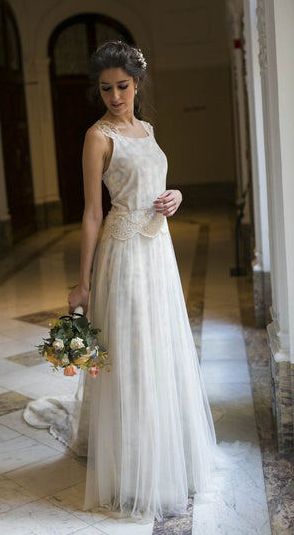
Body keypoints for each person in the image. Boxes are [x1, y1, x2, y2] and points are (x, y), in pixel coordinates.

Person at [25, 41, 216, 522]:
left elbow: (155, 183)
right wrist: (82, 282)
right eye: (106, 88)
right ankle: (133, 466)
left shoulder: (147, 129)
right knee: (131, 352)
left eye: (123, 87)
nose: (115, 97)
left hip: (159, 253)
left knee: (162, 348)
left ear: (137, 84)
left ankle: (172, 453)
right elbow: (92, 213)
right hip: (125, 253)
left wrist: (174, 196)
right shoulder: (98, 136)